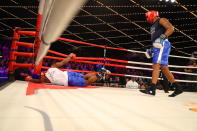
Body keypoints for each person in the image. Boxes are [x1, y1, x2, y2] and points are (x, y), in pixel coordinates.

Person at [141, 10, 183, 97]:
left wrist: (162, 38)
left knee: (156, 65)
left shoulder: (161, 20)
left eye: (147, 16)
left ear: (152, 15)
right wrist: (153, 48)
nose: (147, 18)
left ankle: (152, 89)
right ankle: (178, 87)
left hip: (162, 44)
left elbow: (171, 28)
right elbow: (156, 38)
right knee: (164, 68)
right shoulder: (153, 25)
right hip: (158, 45)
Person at [26, 53, 109, 87]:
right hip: (68, 73)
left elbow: (39, 81)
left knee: (86, 83)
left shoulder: (46, 78)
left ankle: (100, 75)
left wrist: (30, 79)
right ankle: (100, 73)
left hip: (68, 80)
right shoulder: (52, 67)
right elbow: (63, 62)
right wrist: (70, 56)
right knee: (84, 77)